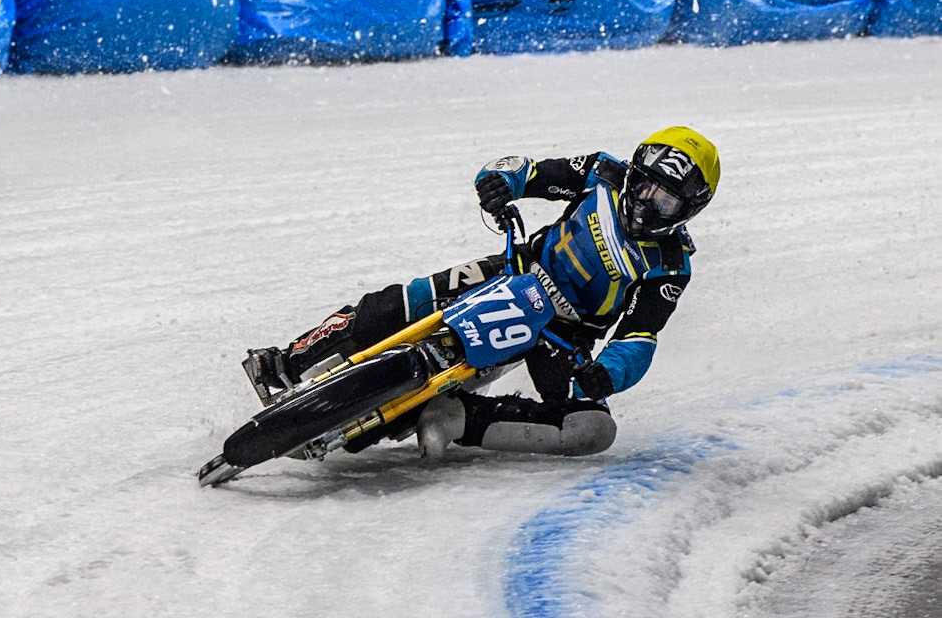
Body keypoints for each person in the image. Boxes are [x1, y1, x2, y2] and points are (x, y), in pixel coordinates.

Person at [242, 127, 720, 461]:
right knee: (409, 299)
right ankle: (287, 358)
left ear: (689, 209)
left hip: (563, 333)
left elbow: (640, 335)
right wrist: (498, 185)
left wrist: (607, 375)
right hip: (517, 268)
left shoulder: (671, 264)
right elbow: (527, 171)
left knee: (592, 430)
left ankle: (457, 418)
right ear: (633, 171)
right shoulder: (601, 172)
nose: (646, 202)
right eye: (645, 186)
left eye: (666, 199)